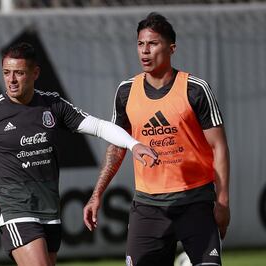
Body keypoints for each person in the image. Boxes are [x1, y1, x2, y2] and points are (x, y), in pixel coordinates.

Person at [0, 42, 157, 266]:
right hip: (16, 211)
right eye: (6, 73)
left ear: (35, 73)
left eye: (19, 73)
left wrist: (133, 144)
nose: (11, 80)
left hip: (50, 212)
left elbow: (99, 127)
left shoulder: (52, 104)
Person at [83, 12, 230, 266]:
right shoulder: (126, 91)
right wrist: (97, 194)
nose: (145, 51)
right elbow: (117, 147)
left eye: (152, 44)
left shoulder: (195, 89)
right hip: (148, 207)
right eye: (140, 44)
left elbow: (219, 147)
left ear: (171, 48)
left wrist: (223, 201)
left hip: (194, 202)